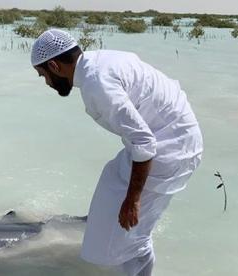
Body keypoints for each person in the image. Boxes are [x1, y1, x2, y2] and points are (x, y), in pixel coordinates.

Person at [31, 29, 203, 276]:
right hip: (174, 138)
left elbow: (145, 142)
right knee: (112, 189)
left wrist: (132, 200)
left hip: (170, 150)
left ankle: (138, 263)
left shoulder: (96, 85)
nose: (47, 82)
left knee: (125, 235)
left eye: (43, 75)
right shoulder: (102, 60)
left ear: (54, 66)